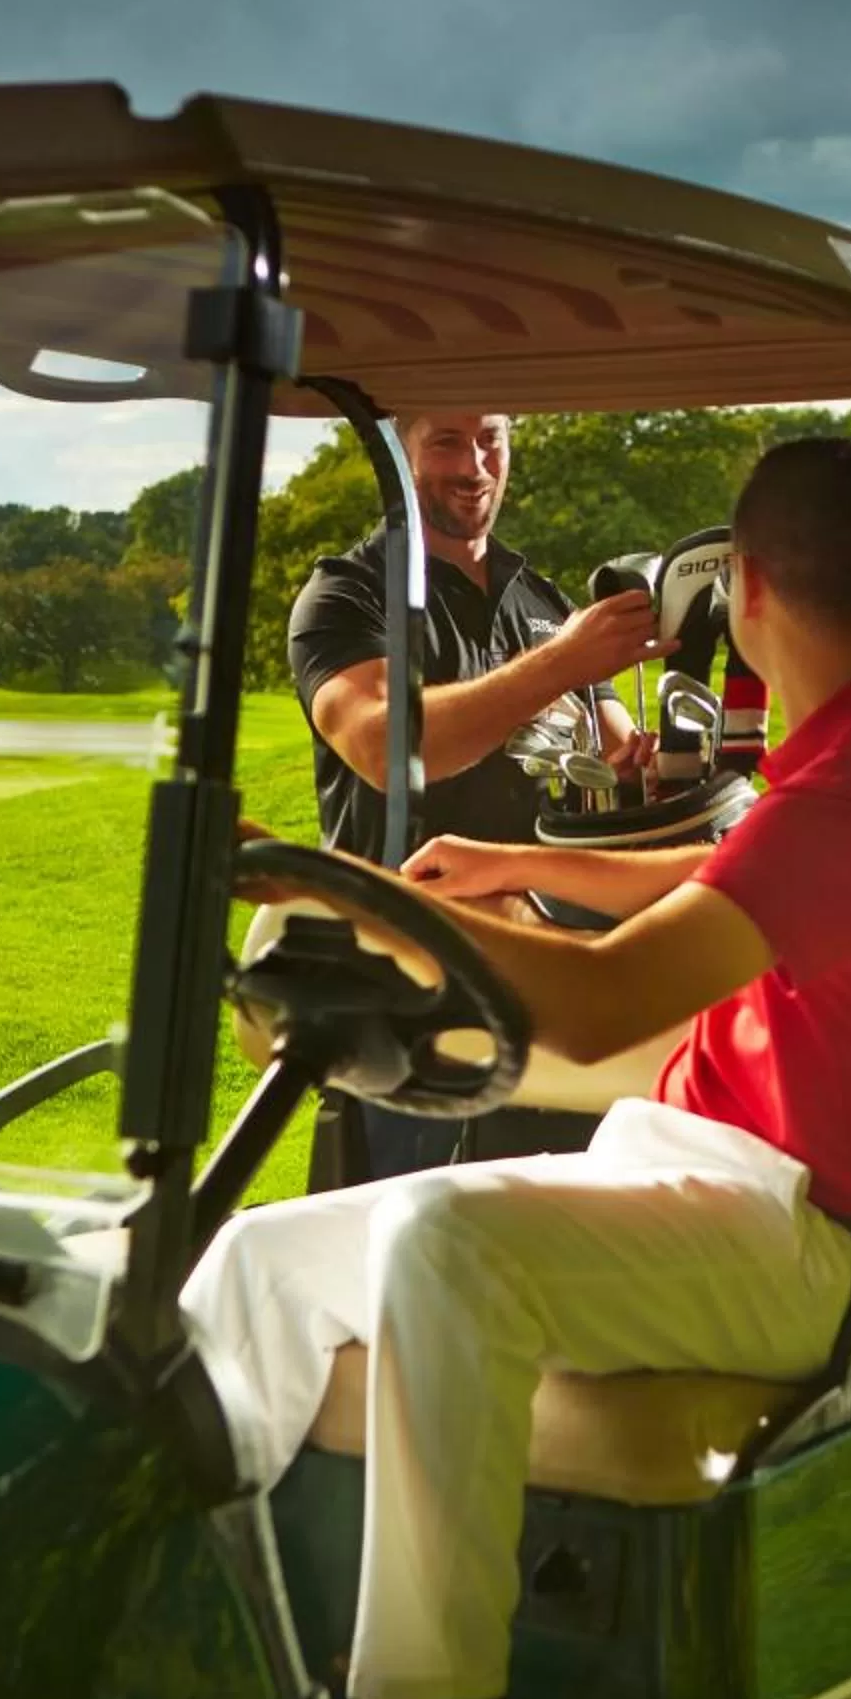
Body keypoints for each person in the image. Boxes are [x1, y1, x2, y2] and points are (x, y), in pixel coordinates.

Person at [191, 439, 851, 1699]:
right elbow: (734, 869)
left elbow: (593, 1006)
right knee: (261, 1260)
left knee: (448, 1239)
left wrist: (351, 888)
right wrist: (513, 862)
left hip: (803, 1237)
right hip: (702, 1167)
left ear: (745, 590)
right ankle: (195, 1648)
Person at [287, 408, 659, 1180]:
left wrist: (637, 770)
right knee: (400, 1224)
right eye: (447, 442)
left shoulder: (541, 599)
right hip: (408, 986)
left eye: (490, 439)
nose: (475, 466)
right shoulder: (348, 593)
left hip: (546, 979)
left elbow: (614, 752)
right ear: (401, 453)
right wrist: (561, 663)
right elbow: (387, 749)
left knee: (539, 1223)